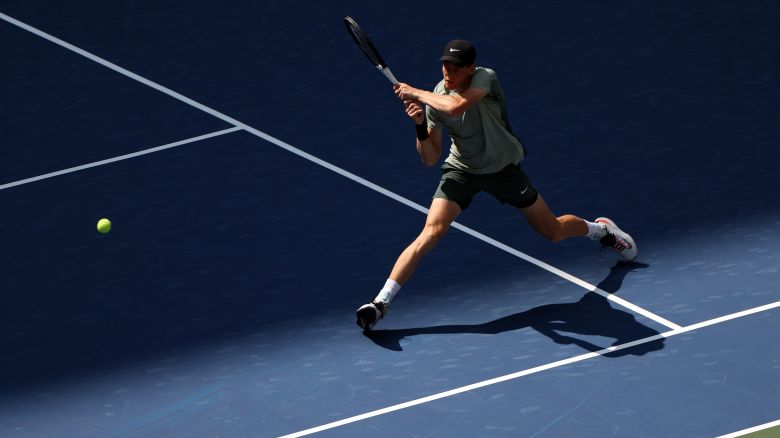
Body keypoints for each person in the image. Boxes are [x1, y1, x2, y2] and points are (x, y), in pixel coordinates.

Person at [356, 39, 637, 331]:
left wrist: (415, 92)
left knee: (552, 231)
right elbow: (429, 158)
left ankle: (601, 230)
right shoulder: (436, 98)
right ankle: (380, 304)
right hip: (462, 170)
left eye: (455, 67)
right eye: (444, 65)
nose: (447, 71)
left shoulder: (484, 78)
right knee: (431, 232)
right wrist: (418, 127)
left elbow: (457, 106)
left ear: (470, 69)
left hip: (503, 170)